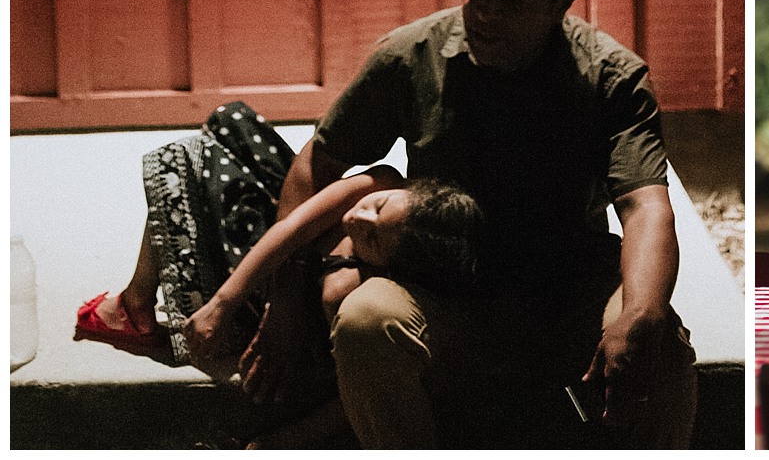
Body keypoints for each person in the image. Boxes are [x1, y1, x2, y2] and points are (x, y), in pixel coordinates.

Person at [239, 0, 698, 448]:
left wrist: (641, 312)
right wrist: (285, 294)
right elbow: (318, 164)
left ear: (560, 4)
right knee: (366, 321)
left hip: (566, 288)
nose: (485, 12)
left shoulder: (610, 77)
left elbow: (645, 205)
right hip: (443, 292)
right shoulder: (412, 55)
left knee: (661, 342)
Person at [75, 102, 483, 447]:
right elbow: (292, 228)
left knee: (193, 167)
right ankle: (136, 304)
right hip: (269, 265)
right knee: (224, 128)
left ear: (392, 266)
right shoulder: (380, 181)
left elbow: (349, 397)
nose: (359, 219)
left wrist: (282, 441)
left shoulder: (355, 292)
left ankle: (136, 314)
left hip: (283, 339)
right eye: (378, 207)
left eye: (373, 240)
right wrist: (223, 302)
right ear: (405, 188)